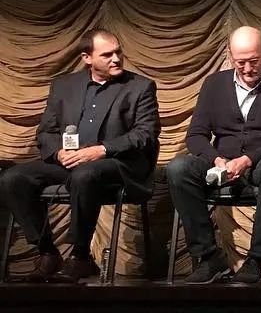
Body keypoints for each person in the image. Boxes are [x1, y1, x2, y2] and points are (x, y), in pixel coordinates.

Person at [0, 28, 160, 282]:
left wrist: (100, 150)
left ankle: (80, 256)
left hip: (118, 164)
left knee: (86, 173)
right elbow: (46, 131)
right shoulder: (64, 85)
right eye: (107, 55)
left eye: (118, 52)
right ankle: (47, 251)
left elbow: (145, 134)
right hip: (70, 162)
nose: (116, 59)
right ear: (87, 58)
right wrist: (59, 153)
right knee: (12, 178)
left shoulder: (140, 87)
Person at [167, 26, 261, 285]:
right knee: (178, 168)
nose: (248, 69)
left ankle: (256, 259)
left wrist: (247, 160)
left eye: (254, 61)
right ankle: (209, 257)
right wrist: (216, 160)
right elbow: (195, 135)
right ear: (230, 57)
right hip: (222, 163)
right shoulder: (214, 84)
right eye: (240, 62)